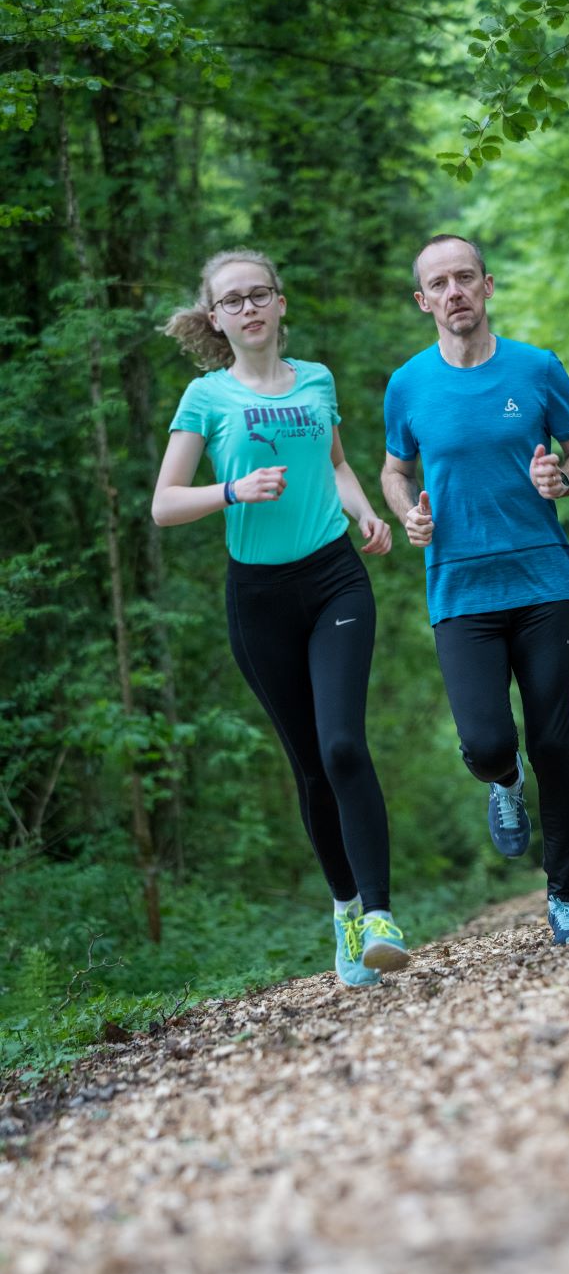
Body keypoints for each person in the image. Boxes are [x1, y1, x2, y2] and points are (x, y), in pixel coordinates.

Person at [152, 247, 410, 984]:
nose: (249, 308)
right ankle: (345, 912)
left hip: (334, 578)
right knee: (309, 767)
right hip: (259, 598)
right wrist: (231, 491)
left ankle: (381, 917)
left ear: (281, 302)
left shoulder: (317, 380)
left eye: (259, 294)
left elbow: (335, 465)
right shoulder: (205, 397)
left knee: (342, 748)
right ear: (215, 318)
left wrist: (365, 514)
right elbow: (165, 505)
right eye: (232, 300)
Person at [380, 234, 569, 945]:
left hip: (541, 578)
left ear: (487, 285)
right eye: (439, 284)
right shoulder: (408, 384)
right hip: (459, 586)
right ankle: (501, 783)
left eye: (465, 278)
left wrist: (564, 479)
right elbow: (393, 469)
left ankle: (565, 896)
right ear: (424, 301)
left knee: (555, 741)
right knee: (485, 740)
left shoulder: (536, 368)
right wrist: (408, 510)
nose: (454, 292)